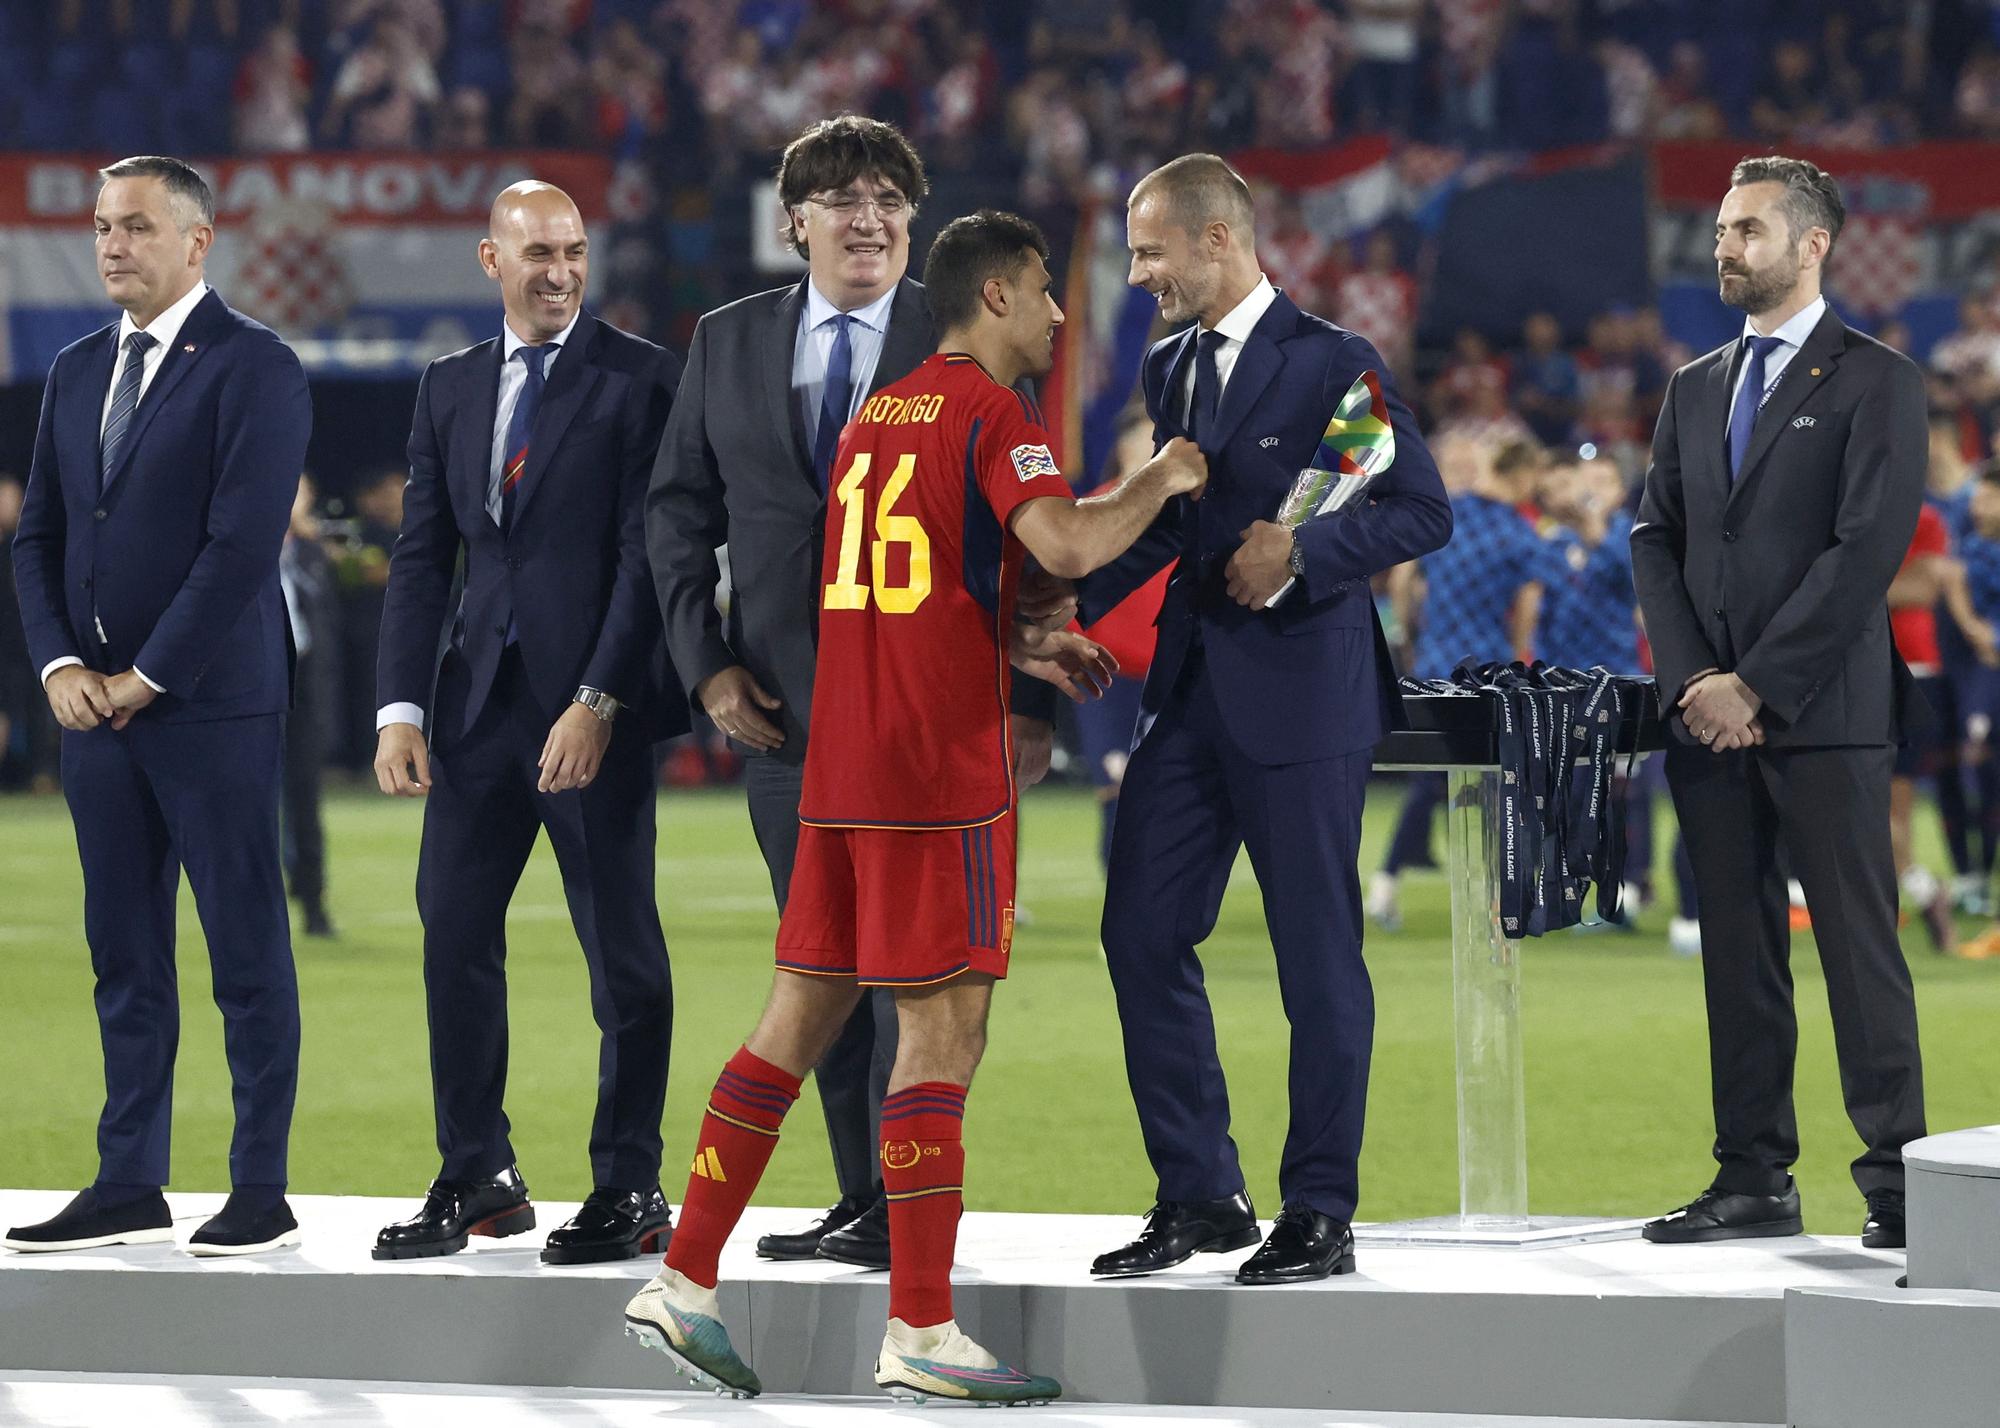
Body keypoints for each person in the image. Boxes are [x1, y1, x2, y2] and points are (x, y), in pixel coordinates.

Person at [621, 210, 1207, 1405]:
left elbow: (914, 586)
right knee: (942, 1037)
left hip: (840, 763)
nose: (1055, 311)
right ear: (992, 298)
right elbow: (1067, 537)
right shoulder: (995, 416)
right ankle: (923, 1327)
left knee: (796, 1018)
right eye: (1042, 290)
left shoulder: (871, 420)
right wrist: (1162, 471)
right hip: (936, 778)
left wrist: (1027, 641)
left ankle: (682, 1280)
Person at [646, 115, 1062, 1269]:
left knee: (908, 994)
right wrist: (706, 665)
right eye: (839, 200)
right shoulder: (725, 341)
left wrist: (1035, 704)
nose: (866, 218)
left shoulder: (961, 338)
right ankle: (861, 1206)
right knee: (818, 982)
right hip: (784, 717)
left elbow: (1033, 540)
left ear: (914, 221)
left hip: (928, 724)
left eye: (887, 197)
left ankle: (893, 1222)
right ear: (795, 224)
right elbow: (676, 515)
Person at [1084, 155, 1451, 1285]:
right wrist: (1056, 599)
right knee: (1139, 931)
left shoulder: (1333, 361)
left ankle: (1319, 1209)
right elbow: (1170, 528)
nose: (1138, 274)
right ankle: (1200, 1193)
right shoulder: (1171, 363)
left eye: (1149, 252)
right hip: (1189, 696)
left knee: (1314, 956)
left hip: (1303, 698)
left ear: (1215, 240)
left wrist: (1301, 552)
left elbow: (1418, 509)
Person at [370, 181, 685, 1266]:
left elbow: (649, 563)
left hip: (587, 714)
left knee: (621, 956)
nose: (558, 270)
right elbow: (423, 557)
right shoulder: (448, 386)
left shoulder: (644, 378)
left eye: (574, 251)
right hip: (472, 715)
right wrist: (401, 708)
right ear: (489, 261)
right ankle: (477, 1174)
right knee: (452, 938)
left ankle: (630, 1182)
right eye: (537, 252)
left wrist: (597, 699)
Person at [5, 156, 311, 1256]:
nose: (111, 245)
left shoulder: (256, 366)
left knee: (243, 953)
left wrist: (147, 676)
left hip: (210, 712)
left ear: (196, 241)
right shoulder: (77, 367)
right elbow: (38, 536)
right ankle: (128, 1180)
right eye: (100, 227)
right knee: (123, 954)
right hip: (95, 717)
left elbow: (239, 548)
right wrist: (57, 668)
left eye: (134, 226)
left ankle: (259, 1191)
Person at [1631, 156, 1927, 1250]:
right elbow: (1652, 537)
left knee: (1855, 947)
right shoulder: (1692, 384)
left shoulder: (1876, 378)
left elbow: (1864, 553)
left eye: (1746, 229)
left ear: (1811, 245)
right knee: (1735, 953)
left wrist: (1755, 682)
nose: (1722, 246)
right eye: (1718, 228)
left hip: (1824, 711)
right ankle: (1750, 1176)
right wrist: (1695, 682)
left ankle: (1895, 1183)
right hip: (1706, 716)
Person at [1369, 437, 1543, 930]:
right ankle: (1496, 894)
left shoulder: (1448, 514)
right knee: (1495, 780)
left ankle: (1385, 884)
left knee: (1429, 780)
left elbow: (1403, 580)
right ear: (1523, 476)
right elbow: (1527, 608)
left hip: (1434, 662)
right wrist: (1518, 654)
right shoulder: (1518, 532)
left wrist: (1412, 636)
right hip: (1486, 669)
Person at [279, 474, 339, 939]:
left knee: (305, 800)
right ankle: (257, 907)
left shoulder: (308, 553)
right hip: (252, 688)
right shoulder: (237, 545)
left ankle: (313, 902)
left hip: (302, 688)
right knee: (249, 803)